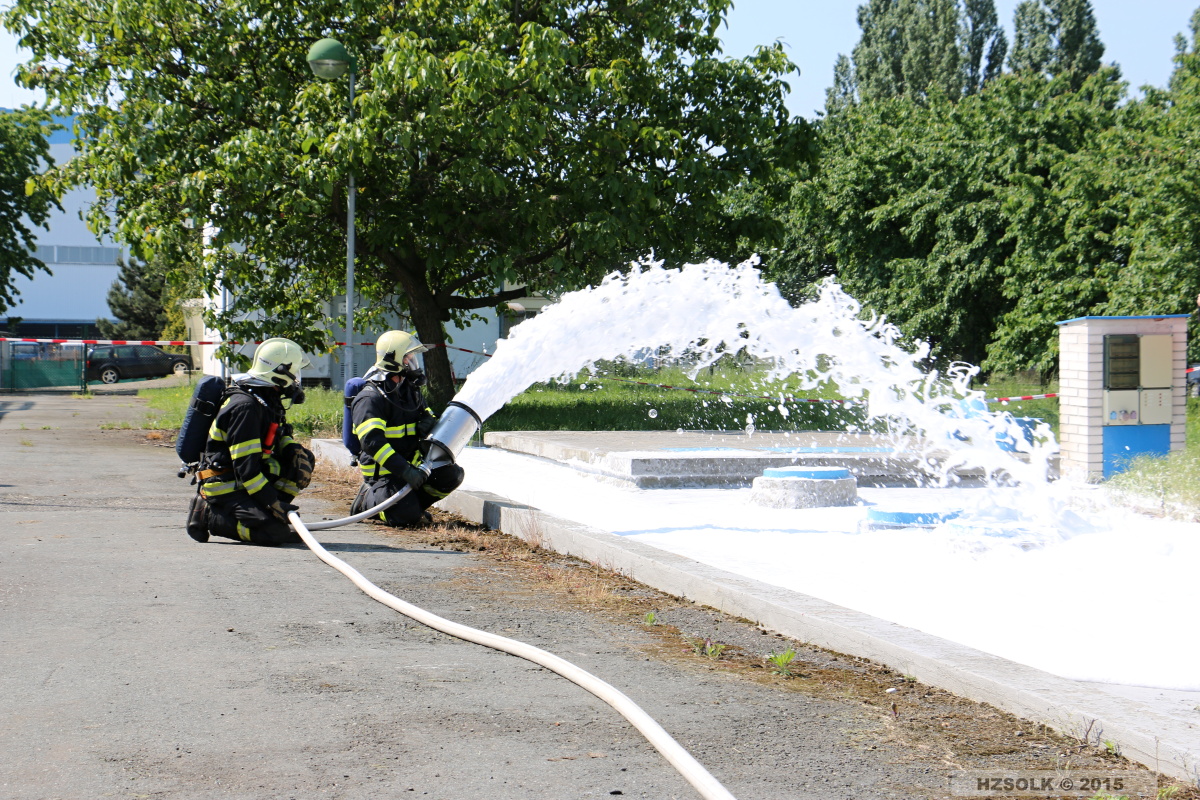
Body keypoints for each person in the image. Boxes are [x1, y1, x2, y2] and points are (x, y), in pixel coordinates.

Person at [186, 338, 316, 545]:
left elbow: (279, 434)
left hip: (245, 478)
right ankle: (210, 516)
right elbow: (246, 469)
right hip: (226, 485)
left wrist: (292, 448)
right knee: (276, 534)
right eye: (295, 373)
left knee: (302, 459)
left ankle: (267, 515)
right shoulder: (246, 408)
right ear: (280, 373)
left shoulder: (265, 399)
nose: (297, 380)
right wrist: (273, 502)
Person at [349, 330, 464, 526]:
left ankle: (412, 505)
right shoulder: (371, 398)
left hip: (411, 467)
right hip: (384, 474)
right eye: (408, 358)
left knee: (452, 475)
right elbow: (372, 442)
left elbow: (426, 412)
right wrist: (404, 471)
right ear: (393, 361)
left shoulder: (410, 390)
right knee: (405, 518)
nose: (413, 363)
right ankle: (368, 500)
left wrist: (429, 421)